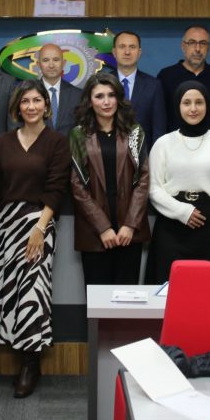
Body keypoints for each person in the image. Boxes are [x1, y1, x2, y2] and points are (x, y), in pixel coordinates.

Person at [0, 80, 70, 398]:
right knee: (9, 291)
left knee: (33, 293)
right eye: (26, 101)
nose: (32, 106)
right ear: (17, 108)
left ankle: (30, 364)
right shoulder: (4, 142)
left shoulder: (57, 142)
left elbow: (56, 187)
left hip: (41, 221)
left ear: (46, 106)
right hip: (8, 224)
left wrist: (39, 229)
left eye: (38, 100)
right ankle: (14, 356)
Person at [146, 81, 210, 283]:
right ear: (178, 106)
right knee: (168, 291)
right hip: (171, 225)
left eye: (199, 102)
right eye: (186, 102)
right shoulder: (163, 143)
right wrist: (182, 211)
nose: (193, 108)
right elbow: (153, 188)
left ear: (208, 105)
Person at [69, 74, 151, 286]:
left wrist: (130, 225)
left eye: (111, 95)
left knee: (126, 303)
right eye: (99, 96)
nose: (106, 102)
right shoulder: (78, 135)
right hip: (95, 234)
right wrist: (103, 227)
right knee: (97, 305)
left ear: (119, 99)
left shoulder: (135, 132)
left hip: (128, 233)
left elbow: (143, 179)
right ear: (89, 101)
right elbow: (77, 186)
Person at [157, 25, 210, 134]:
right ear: (183, 46)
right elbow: (160, 116)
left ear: (208, 48)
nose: (198, 49)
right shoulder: (166, 76)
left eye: (203, 43)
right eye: (192, 42)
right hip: (175, 144)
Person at [110, 30, 165, 147]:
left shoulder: (153, 85)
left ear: (139, 52)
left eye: (132, 47)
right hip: (106, 154)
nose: (127, 52)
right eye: (122, 47)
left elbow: (158, 129)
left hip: (142, 156)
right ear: (114, 52)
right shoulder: (102, 83)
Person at [34, 42, 82, 134]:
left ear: (63, 63)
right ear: (38, 64)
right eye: (46, 60)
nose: (51, 65)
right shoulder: (28, 95)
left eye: (56, 60)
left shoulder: (78, 95)